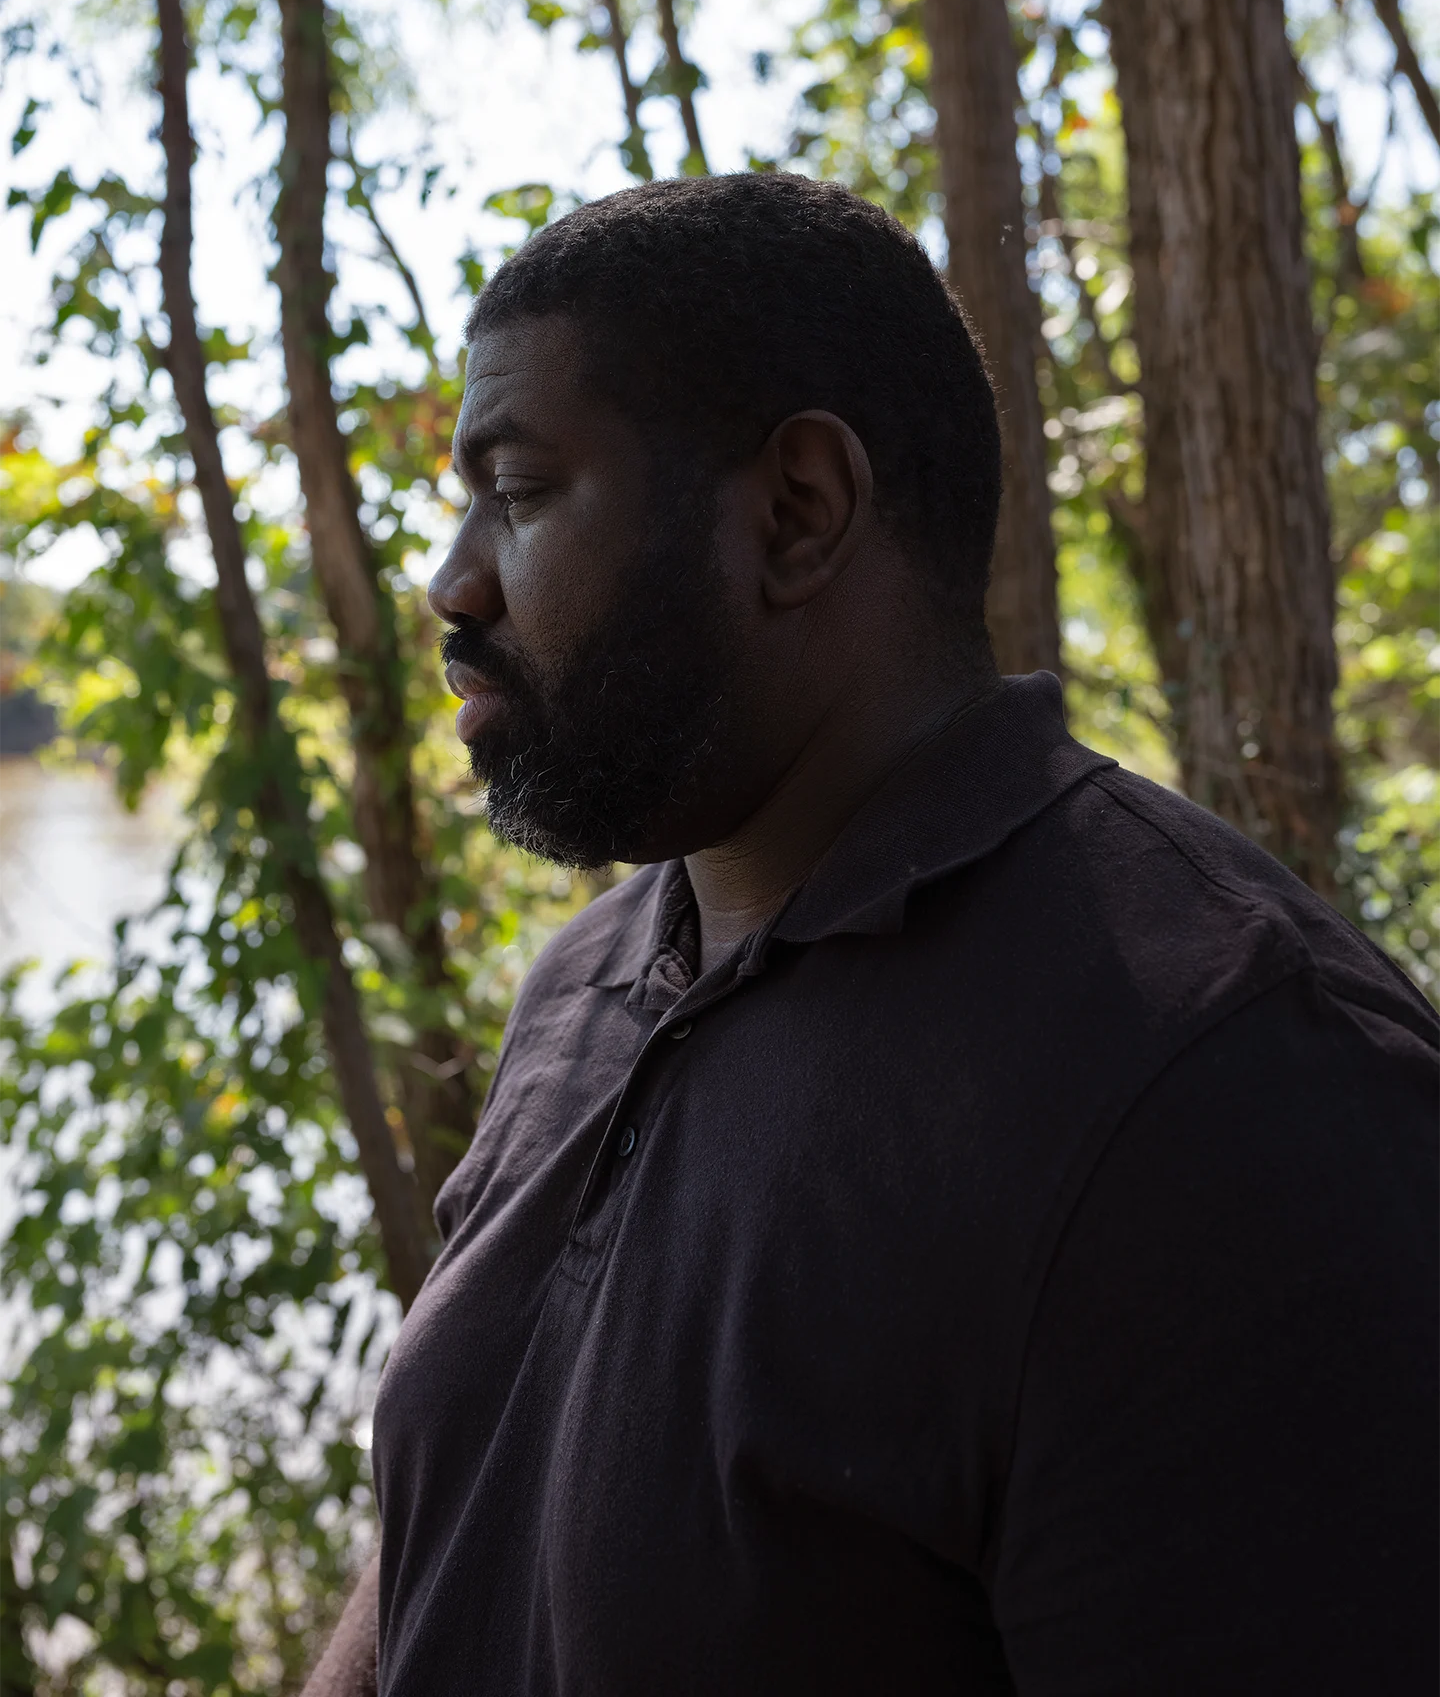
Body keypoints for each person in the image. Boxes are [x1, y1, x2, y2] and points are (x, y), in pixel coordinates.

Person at [303, 174, 1440, 1697]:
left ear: (798, 513)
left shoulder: (1226, 1089)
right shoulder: (588, 982)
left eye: (517, 492)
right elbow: (445, 1529)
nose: (452, 580)